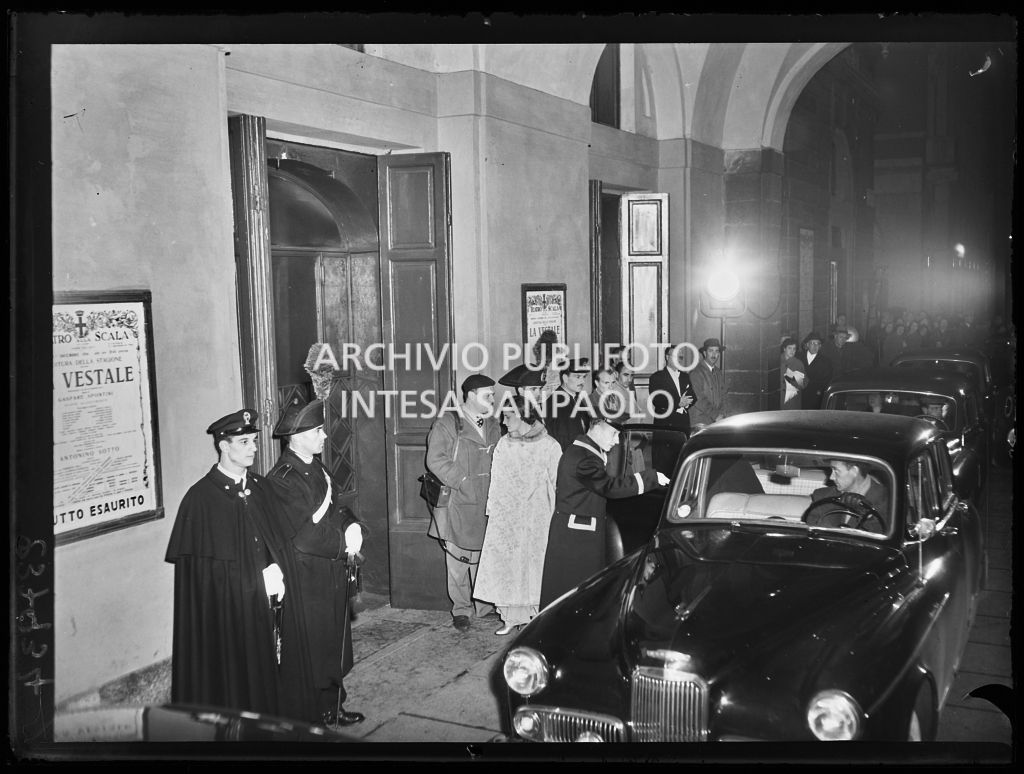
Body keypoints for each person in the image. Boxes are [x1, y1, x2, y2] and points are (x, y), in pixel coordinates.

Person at [165, 409, 304, 717]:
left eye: (253, 440)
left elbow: (276, 540)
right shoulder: (200, 499)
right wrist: (250, 583)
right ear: (223, 446)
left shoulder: (259, 487)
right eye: (244, 442)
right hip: (229, 615)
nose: (253, 448)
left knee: (268, 668)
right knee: (236, 673)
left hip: (265, 606)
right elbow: (202, 577)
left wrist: (276, 568)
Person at [266, 398, 367, 727]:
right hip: (307, 577)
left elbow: (336, 507)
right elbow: (306, 536)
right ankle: (310, 717)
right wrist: (343, 544)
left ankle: (332, 706)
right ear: (296, 437)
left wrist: (351, 524)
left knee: (333, 644)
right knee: (311, 648)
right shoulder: (283, 477)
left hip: (330, 572)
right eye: (318, 430)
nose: (325, 436)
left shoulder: (318, 467)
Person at [539, 416, 668, 608]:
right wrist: (650, 478)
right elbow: (609, 487)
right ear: (597, 428)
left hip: (579, 532)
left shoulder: (586, 451)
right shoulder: (583, 458)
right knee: (572, 593)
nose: (616, 441)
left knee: (580, 592)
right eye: (614, 433)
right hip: (576, 537)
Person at [473, 396, 562, 635]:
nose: (503, 421)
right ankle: (510, 618)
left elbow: (556, 484)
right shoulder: (504, 444)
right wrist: (493, 510)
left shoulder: (549, 445)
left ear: (523, 415)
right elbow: (496, 480)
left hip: (537, 516)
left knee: (534, 567)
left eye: (508, 416)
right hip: (507, 516)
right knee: (508, 567)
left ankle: (535, 617)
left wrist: (556, 517)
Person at [425, 374, 501, 632]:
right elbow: (435, 460)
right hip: (459, 500)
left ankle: (484, 606)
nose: (493, 398)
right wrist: (464, 480)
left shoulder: (493, 423)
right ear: (470, 395)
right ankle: (461, 610)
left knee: (483, 555)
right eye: (487, 394)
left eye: (493, 394)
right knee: (458, 559)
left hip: (488, 500)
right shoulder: (448, 422)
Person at [649, 342, 698, 473]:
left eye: (680, 357)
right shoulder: (657, 377)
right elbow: (657, 400)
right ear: (667, 357)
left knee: (681, 464)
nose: (678, 360)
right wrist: (678, 403)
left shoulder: (685, 376)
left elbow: (693, 396)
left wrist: (686, 403)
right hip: (665, 425)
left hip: (682, 425)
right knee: (664, 465)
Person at [805, 459, 889, 534]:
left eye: (836, 470)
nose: (831, 477)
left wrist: (869, 516)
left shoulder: (890, 500)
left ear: (854, 471)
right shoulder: (822, 496)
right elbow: (811, 533)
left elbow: (886, 537)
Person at [542, 358, 594, 450]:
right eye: (578, 377)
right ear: (565, 378)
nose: (582, 382)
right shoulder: (555, 403)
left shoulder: (576, 398)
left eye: (584, 377)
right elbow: (559, 440)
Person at [689, 337, 729, 429]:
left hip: (716, 422)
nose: (714, 354)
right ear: (704, 353)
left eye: (717, 351)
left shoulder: (718, 373)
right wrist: (716, 415)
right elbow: (698, 399)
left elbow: (724, 396)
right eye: (711, 351)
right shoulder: (696, 373)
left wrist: (722, 415)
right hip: (700, 423)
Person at [799, 331, 833, 410]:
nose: (815, 346)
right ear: (807, 345)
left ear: (820, 346)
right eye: (812, 343)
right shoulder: (799, 358)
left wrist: (819, 392)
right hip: (800, 397)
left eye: (818, 344)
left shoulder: (826, 362)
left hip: (816, 398)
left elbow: (827, 381)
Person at [780, 337, 806, 409]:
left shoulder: (798, 364)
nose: (792, 351)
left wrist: (789, 375)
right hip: (778, 401)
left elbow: (802, 385)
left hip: (792, 402)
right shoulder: (776, 362)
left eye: (794, 349)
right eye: (789, 348)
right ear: (784, 349)